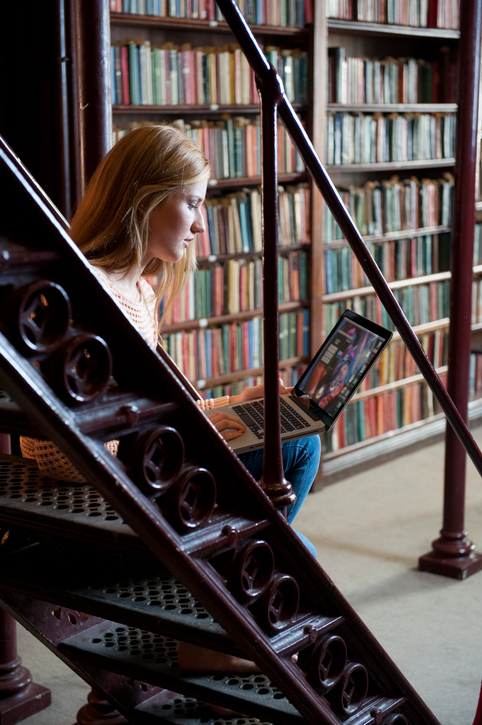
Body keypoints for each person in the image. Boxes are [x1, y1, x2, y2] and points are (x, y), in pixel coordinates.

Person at [19, 124, 321, 671]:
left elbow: (148, 411)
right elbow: (49, 449)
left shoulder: (139, 290)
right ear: (144, 199)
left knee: (298, 443)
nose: (202, 224)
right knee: (296, 565)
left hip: (152, 470)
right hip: (114, 503)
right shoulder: (83, 298)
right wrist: (176, 447)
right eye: (192, 204)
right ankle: (217, 618)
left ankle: (223, 608)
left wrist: (226, 408)